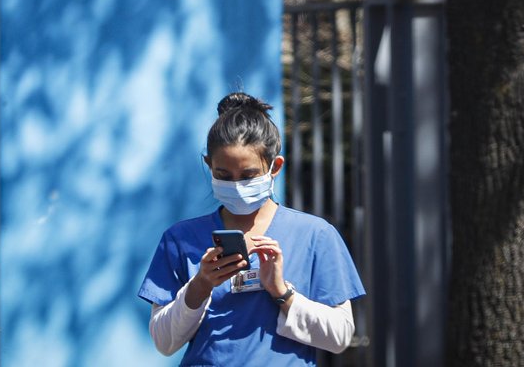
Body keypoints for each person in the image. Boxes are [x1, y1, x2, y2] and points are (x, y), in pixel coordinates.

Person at [138, 92, 365, 366]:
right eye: (223, 176)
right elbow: (164, 343)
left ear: (275, 167)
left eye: (248, 176)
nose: (236, 185)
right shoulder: (180, 240)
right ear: (209, 165)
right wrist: (200, 286)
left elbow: (339, 337)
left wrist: (281, 292)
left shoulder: (316, 236)